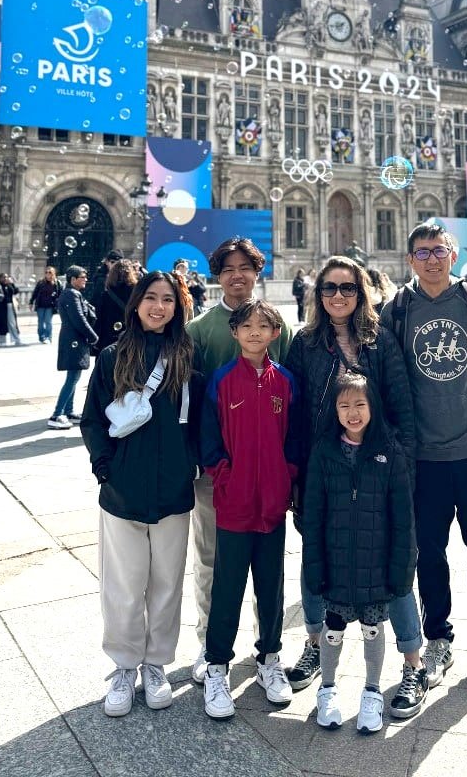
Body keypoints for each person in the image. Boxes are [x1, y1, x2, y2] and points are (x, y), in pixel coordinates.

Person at [379, 222, 467, 699]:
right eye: (422, 252)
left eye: (439, 250)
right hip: (423, 458)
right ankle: (438, 640)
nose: (431, 259)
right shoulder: (397, 310)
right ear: (410, 259)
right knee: (428, 557)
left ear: (452, 255)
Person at [285, 256, 422, 718]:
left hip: (378, 472)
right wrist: (295, 471)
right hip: (322, 472)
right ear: (317, 295)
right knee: (316, 558)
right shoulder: (305, 344)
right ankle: (312, 642)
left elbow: (401, 405)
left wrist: (398, 463)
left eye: (347, 287)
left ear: (361, 292)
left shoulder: (380, 341)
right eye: (329, 288)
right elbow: (292, 412)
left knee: (396, 562)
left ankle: (411, 662)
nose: (338, 295)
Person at [80, 271, 198, 717]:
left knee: (167, 584)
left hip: (173, 487)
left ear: (178, 306)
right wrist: (104, 467)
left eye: (168, 299)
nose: (158, 307)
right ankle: (125, 665)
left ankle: (156, 663)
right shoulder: (112, 356)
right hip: (123, 490)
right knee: (124, 585)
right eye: (150, 298)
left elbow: (200, 418)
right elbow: (92, 418)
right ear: (136, 304)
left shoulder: (187, 356)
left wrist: (192, 463)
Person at [186, 236, 293, 683]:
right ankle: (209, 640)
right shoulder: (200, 329)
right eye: (228, 268)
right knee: (212, 559)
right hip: (219, 471)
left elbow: (287, 394)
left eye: (244, 267)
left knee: (268, 562)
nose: (236, 275)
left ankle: (264, 644)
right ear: (218, 275)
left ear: (256, 272)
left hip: (266, 470)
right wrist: (212, 466)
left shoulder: (276, 324)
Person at [200, 299, 299, 720]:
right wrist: (223, 476)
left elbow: (295, 438)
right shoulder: (220, 381)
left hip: (272, 502)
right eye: (247, 326)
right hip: (235, 501)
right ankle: (217, 665)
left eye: (264, 326)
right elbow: (208, 438)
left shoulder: (287, 382)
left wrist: (287, 477)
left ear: (276, 333)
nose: (255, 332)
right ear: (234, 333)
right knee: (227, 584)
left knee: (271, 584)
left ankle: (269, 659)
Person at [302, 369, 416, 734]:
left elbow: (403, 520)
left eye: (360, 404)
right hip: (335, 565)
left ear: (373, 407)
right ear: (334, 411)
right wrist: (314, 566)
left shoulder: (390, 451)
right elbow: (313, 516)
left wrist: (402, 570)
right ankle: (328, 688)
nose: (353, 413)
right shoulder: (324, 452)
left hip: (375, 565)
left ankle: (371, 693)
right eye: (344, 405)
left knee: (372, 628)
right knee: (332, 629)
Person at [48, 265, 99, 429]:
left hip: (74, 339)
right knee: (72, 378)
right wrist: (93, 336)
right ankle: (56, 415)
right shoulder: (71, 295)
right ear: (73, 279)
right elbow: (79, 319)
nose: (85, 280)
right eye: (82, 277)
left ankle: (69, 410)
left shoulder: (73, 294)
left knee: (74, 376)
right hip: (73, 340)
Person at [95, 259, 139, 353]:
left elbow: (99, 318)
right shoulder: (135, 292)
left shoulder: (107, 294)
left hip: (109, 337)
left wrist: (97, 341)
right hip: (130, 335)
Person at [29, 266, 61, 343]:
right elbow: (35, 293)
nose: (47, 274)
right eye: (46, 272)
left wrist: (59, 304)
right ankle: (41, 337)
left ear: (53, 273)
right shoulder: (41, 282)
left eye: (49, 272)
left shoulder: (57, 283)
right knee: (40, 323)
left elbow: (60, 294)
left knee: (48, 322)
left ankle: (48, 337)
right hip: (40, 305)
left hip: (50, 306)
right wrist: (31, 302)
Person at [91, 249, 124, 317]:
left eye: (118, 263)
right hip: (105, 313)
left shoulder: (125, 277)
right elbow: (97, 299)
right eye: (112, 262)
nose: (115, 265)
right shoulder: (100, 278)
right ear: (106, 262)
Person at [0, 273, 23, 346]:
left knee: (12, 323)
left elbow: (15, 291)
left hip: (10, 305)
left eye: (7, 277)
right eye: (4, 277)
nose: (5, 279)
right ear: (0, 278)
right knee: (1, 323)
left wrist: (12, 283)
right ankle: (2, 341)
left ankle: (16, 339)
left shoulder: (9, 285)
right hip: (1, 307)